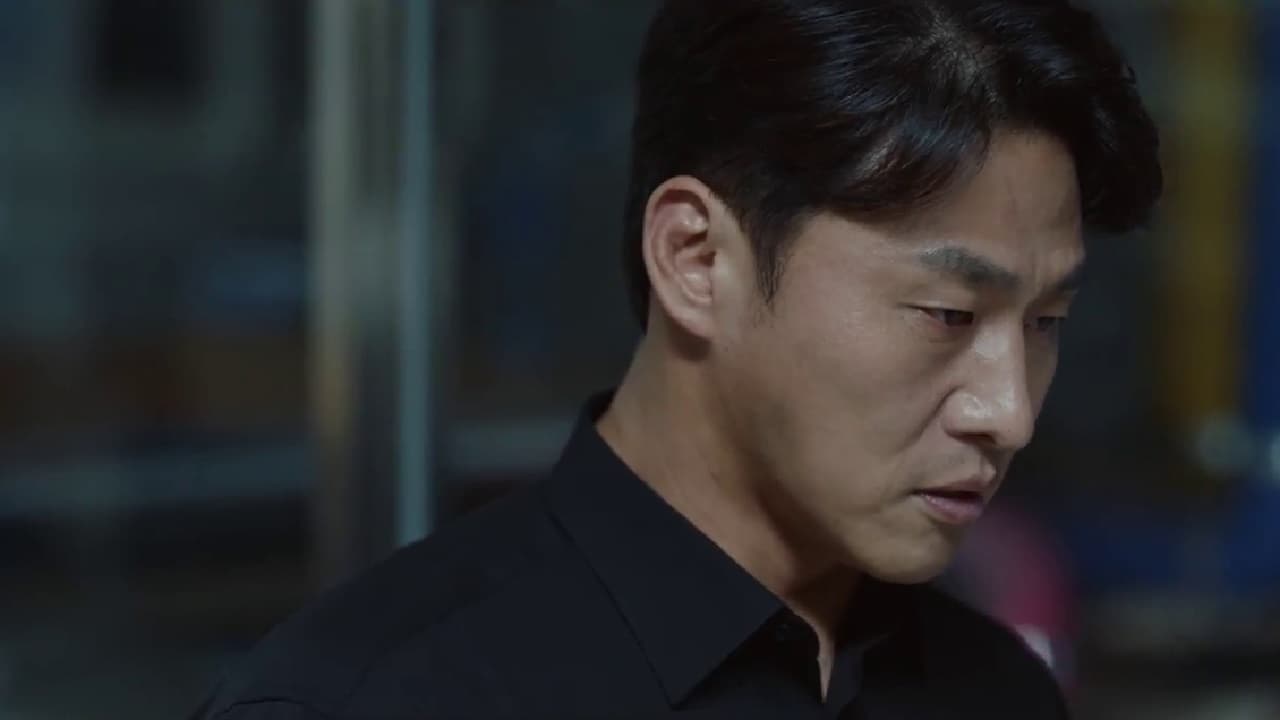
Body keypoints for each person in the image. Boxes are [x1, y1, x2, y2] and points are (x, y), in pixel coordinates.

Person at [192, 0, 1162, 717]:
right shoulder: (368, 701)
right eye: (947, 314)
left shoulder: (995, 691)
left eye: (1045, 322)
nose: (1009, 412)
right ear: (697, 260)